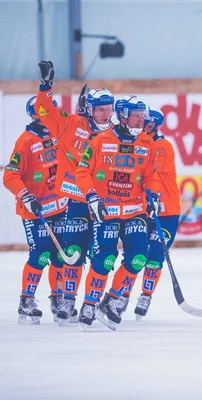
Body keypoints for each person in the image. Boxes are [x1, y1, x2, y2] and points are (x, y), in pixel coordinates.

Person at [35, 61, 115, 324]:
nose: (105, 114)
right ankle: (67, 302)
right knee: (73, 253)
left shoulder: (117, 135)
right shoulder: (71, 125)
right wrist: (46, 87)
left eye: (109, 109)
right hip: (77, 200)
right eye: (100, 109)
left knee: (102, 256)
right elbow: (44, 112)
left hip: (105, 204)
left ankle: (91, 303)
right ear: (90, 109)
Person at [75, 96, 160, 331]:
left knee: (138, 257)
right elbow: (82, 172)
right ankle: (89, 304)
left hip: (135, 210)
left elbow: (151, 175)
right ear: (123, 116)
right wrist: (91, 196)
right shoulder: (100, 140)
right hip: (106, 209)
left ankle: (111, 300)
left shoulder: (147, 143)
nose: (142, 120)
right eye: (137, 115)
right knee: (105, 258)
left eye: (143, 116)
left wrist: (154, 195)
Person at [3, 97, 67, 324]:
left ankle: (58, 299)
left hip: (60, 205)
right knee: (40, 254)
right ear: (37, 115)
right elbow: (9, 176)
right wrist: (26, 196)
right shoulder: (26, 141)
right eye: (49, 111)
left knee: (60, 255)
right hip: (35, 210)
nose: (54, 113)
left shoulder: (58, 134)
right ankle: (26, 301)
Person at [118, 107, 181, 320]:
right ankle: (123, 294)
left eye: (147, 122)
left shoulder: (162, 146)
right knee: (135, 255)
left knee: (155, 256)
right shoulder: (138, 144)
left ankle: (145, 295)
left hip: (167, 211)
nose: (142, 125)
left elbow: (147, 168)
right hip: (143, 209)